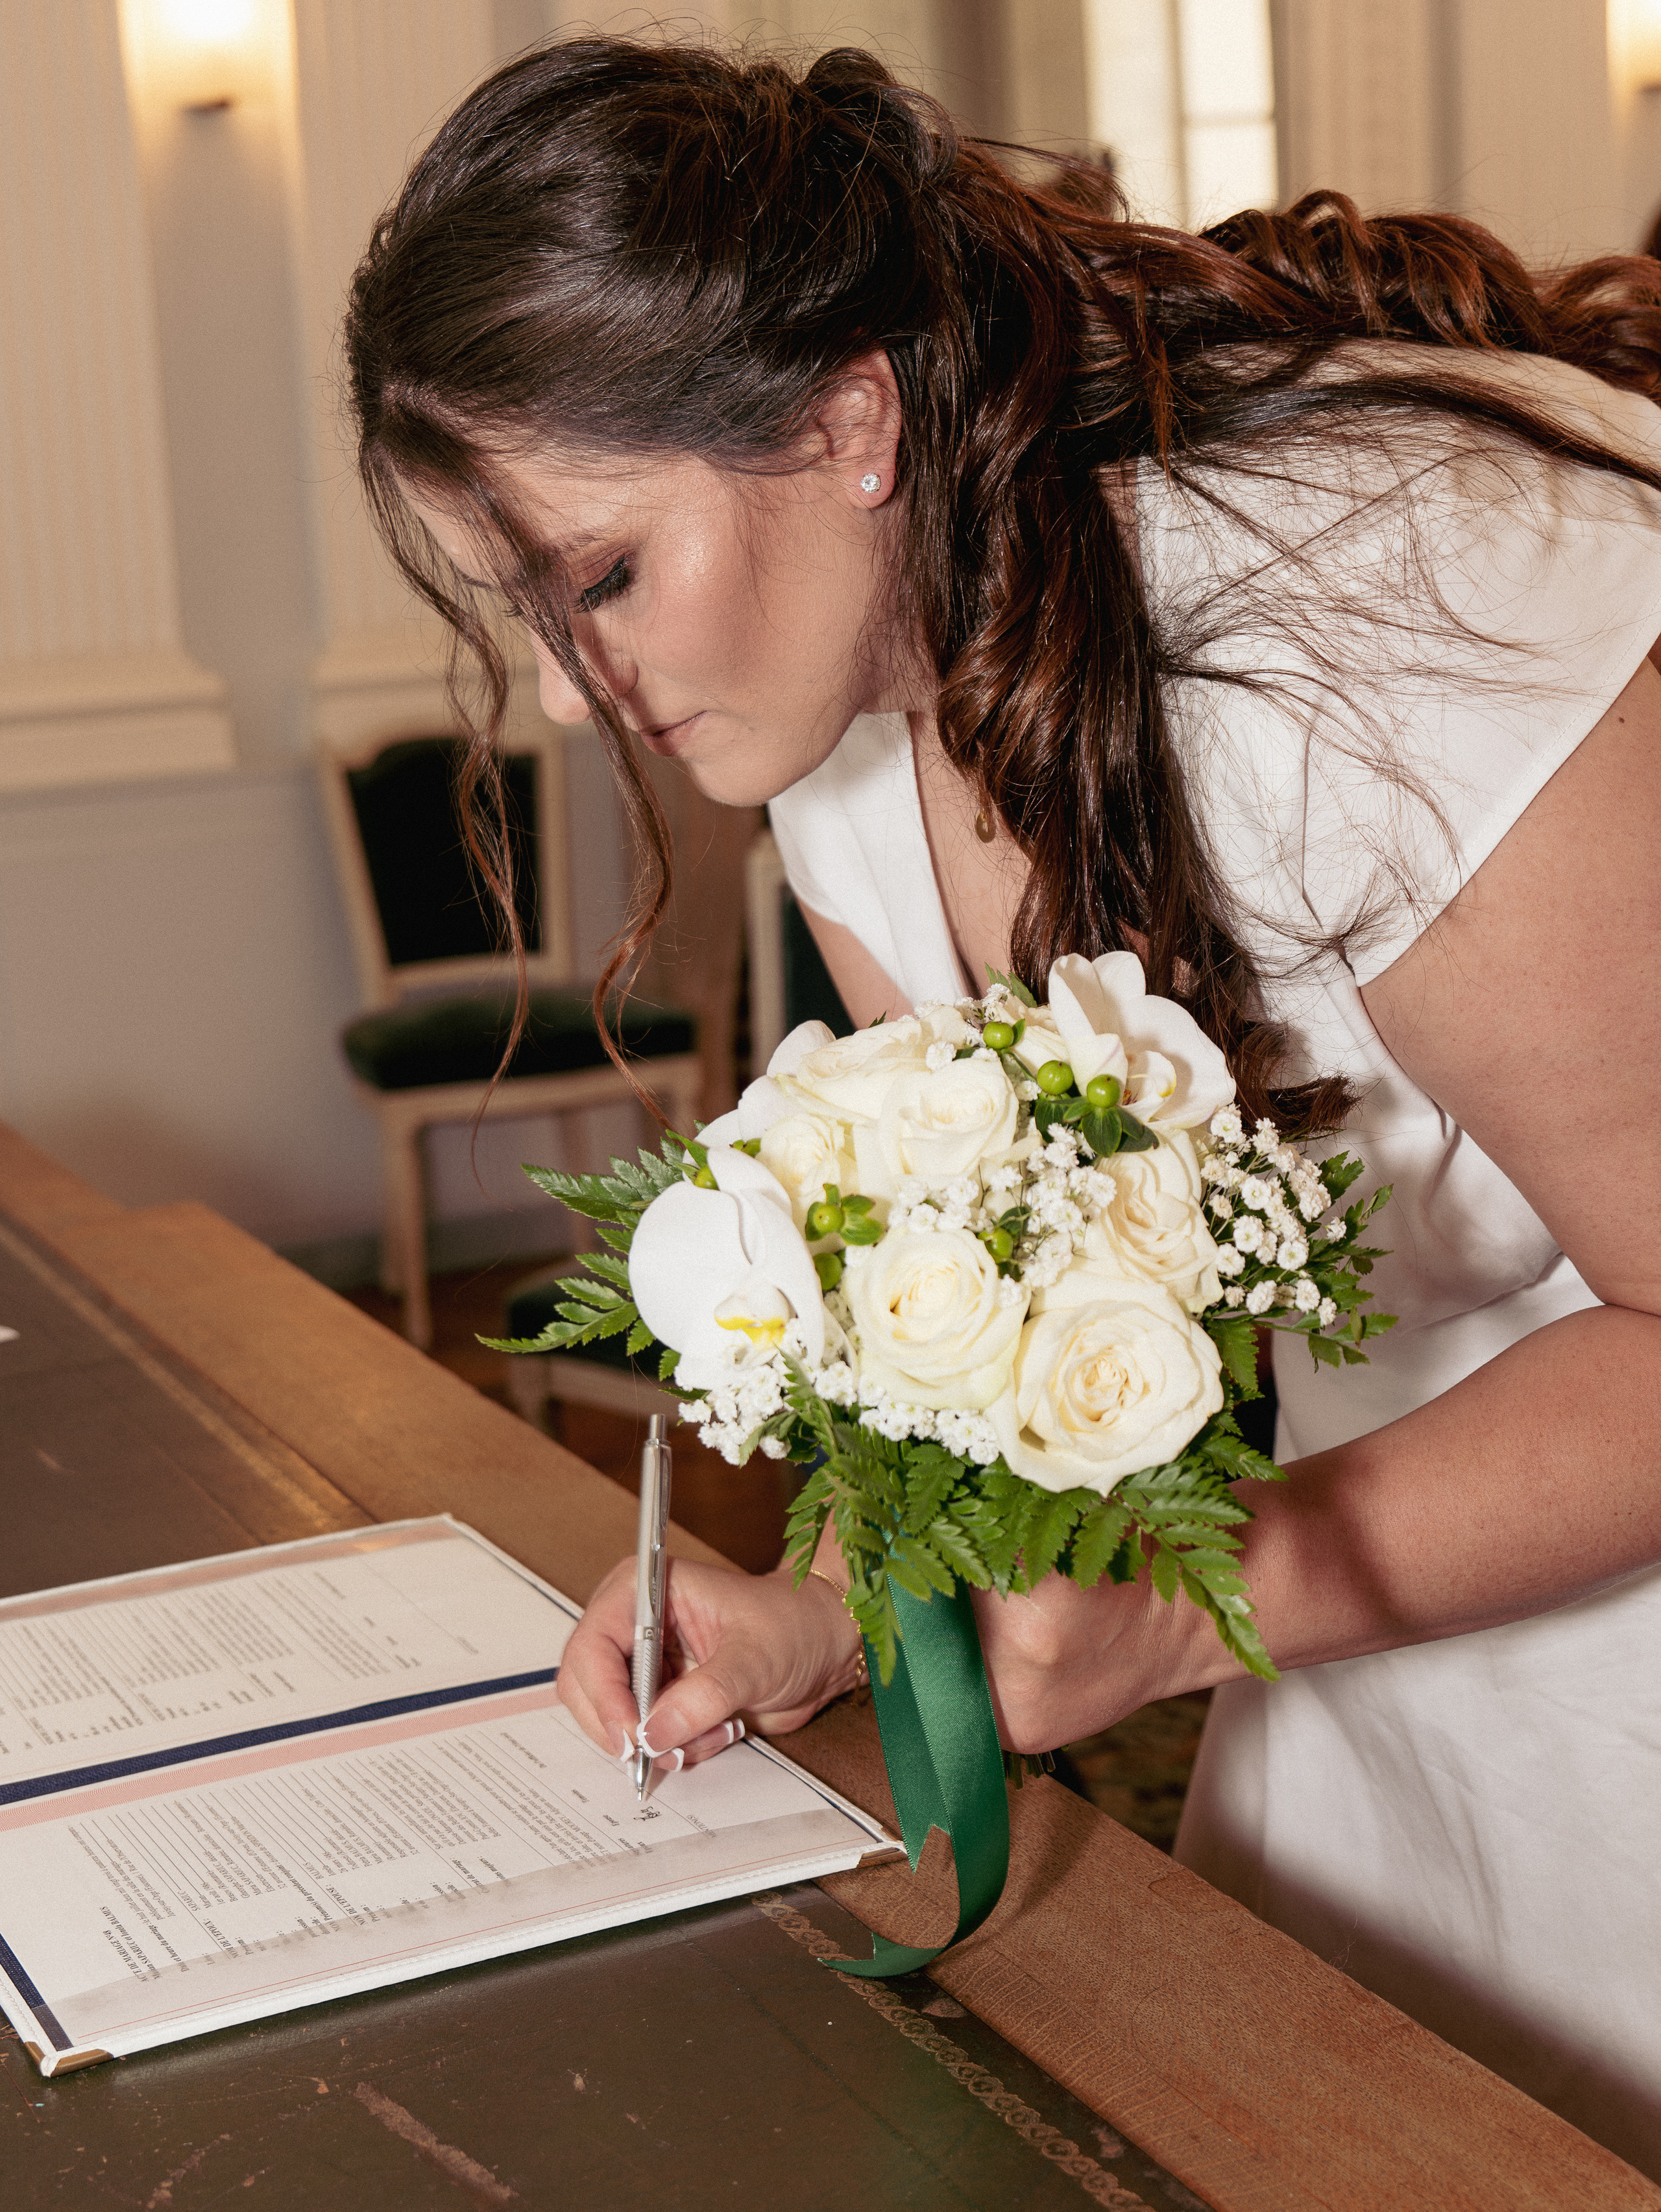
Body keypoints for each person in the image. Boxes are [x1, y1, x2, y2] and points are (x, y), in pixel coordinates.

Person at [343, 36, 1661, 2174]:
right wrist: (827, 1599)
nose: (588, 691)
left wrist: (1175, 1614)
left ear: (849, 420)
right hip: (1358, 1616)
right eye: (526, 614)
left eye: (602, 574)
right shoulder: (843, 752)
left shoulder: (1374, 640)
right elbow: (1000, 1315)